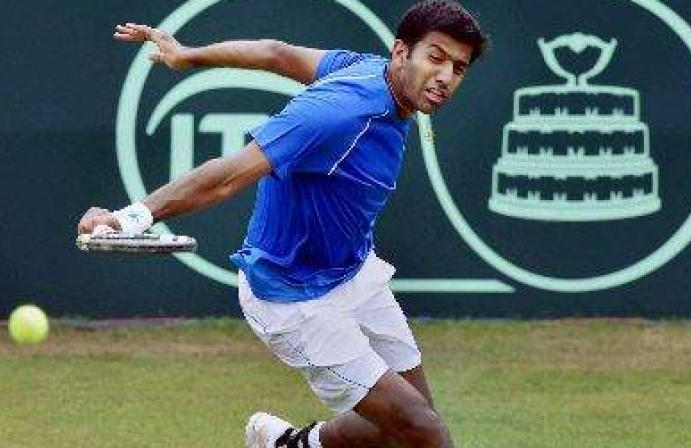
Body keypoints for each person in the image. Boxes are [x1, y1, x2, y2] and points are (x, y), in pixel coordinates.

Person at [78, 1, 487, 446]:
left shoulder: (370, 72)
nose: (446, 77)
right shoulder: (339, 113)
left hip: (352, 271)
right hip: (292, 298)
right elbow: (226, 177)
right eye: (436, 57)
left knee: (407, 424)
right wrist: (130, 216)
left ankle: (293, 444)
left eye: (458, 68)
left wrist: (187, 55)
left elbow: (276, 54)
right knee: (423, 429)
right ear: (401, 52)